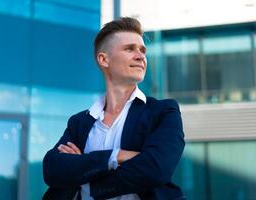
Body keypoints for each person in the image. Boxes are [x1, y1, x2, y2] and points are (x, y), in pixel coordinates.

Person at [42, 17, 185, 200]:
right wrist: (118, 156)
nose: (141, 56)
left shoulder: (163, 112)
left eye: (142, 50)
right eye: (129, 49)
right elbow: (53, 169)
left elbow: (156, 169)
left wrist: (85, 175)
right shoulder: (80, 122)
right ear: (104, 59)